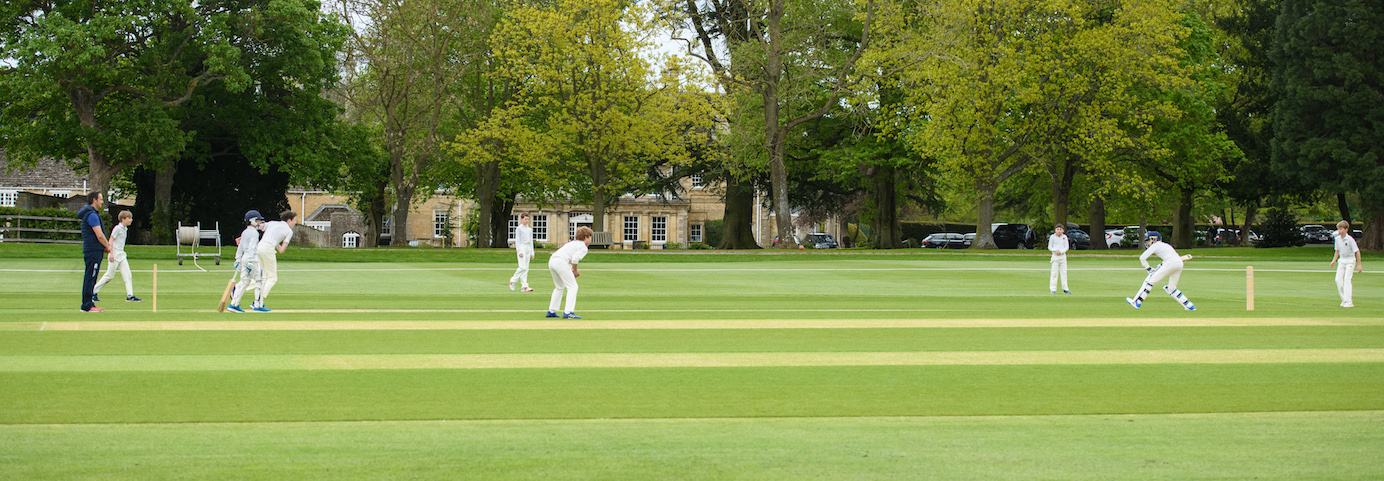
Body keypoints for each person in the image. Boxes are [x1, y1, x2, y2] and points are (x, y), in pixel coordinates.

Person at [1126, 231, 1195, 310]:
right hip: (1179, 263)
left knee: (1150, 282)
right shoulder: (1166, 245)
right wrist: (1161, 265)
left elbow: (1142, 258)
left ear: (1154, 239)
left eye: (1149, 240)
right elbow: (1171, 257)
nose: (1148, 243)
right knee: (1172, 288)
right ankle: (1190, 306)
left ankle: (1138, 302)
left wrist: (1148, 268)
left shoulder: (1156, 245)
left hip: (1170, 263)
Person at [252, 210, 296, 312]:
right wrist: (275, 242)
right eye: (294, 220)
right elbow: (281, 250)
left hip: (259, 246)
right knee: (272, 278)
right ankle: (257, 302)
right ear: (289, 220)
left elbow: (258, 227)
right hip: (268, 249)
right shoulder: (289, 231)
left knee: (261, 277)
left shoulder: (272, 223)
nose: (294, 223)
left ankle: (238, 288)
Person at [93, 210, 140, 303]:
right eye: (129, 218)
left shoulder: (125, 228)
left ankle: (130, 295)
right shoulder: (117, 228)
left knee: (127, 275)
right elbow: (111, 240)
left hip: (121, 254)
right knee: (109, 276)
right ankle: (93, 292)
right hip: (114, 254)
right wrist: (111, 253)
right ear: (123, 219)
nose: (131, 220)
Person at [77, 192, 112, 312]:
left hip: (94, 250)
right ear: (94, 200)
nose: (102, 202)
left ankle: (88, 303)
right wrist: (107, 246)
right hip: (93, 250)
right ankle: (87, 305)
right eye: (101, 199)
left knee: (91, 277)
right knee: (90, 277)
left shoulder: (92, 214)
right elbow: (99, 235)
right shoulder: (91, 215)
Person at [547, 226, 592, 319]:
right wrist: (575, 270)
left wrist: (571, 268)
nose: (590, 239)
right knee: (573, 287)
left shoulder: (572, 243)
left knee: (559, 287)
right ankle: (568, 312)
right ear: (586, 237)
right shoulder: (583, 247)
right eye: (590, 237)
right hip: (560, 262)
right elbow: (574, 259)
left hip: (552, 261)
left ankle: (551, 311)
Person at [227, 210, 265, 313]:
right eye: (257, 220)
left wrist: (238, 259)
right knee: (259, 281)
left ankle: (234, 304)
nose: (259, 222)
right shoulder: (254, 233)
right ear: (252, 220)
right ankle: (258, 306)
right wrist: (251, 262)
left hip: (245, 257)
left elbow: (240, 248)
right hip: (251, 258)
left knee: (244, 281)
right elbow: (252, 248)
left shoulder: (244, 232)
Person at [1329, 220, 1362, 308]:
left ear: (1346, 229)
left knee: (1347, 279)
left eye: (1341, 229)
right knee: (1338, 280)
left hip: (1350, 260)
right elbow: (1337, 251)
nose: (1339, 231)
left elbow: (1357, 251)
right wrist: (1333, 261)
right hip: (1342, 260)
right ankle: (1344, 299)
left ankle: (1349, 301)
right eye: (1339, 229)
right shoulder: (1337, 239)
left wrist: (1359, 265)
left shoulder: (1350, 240)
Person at [510, 213, 535, 292]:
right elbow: (517, 240)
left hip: (528, 247)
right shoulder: (519, 228)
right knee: (522, 267)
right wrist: (519, 251)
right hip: (522, 246)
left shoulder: (529, 229)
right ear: (521, 219)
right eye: (525, 219)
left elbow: (531, 241)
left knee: (526, 268)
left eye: (528, 219)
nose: (527, 221)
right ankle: (513, 280)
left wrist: (532, 252)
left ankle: (524, 286)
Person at [1048, 224, 1070, 294]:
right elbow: (1050, 247)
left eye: (1060, 229)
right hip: (1055, 256)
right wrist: (1055, 250)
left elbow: (1066, 247)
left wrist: (1061, 251)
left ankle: (1065, 288)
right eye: (1058, 229)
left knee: (1064, 273)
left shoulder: (1064, 237)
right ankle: (1053, 289)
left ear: (1063, 230)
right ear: (1055, 230)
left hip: (1062, 256)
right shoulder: (1052, 237)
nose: (1059, 231)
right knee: (1054, 273)